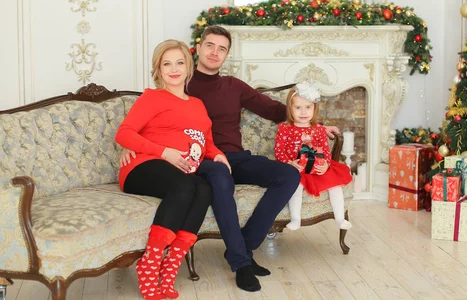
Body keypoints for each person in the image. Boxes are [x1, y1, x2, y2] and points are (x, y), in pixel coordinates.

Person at [122, 26, 339, 292]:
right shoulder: (179, 80)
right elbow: (149, 121)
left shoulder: (230, 86)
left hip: (230, 156)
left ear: (227, 55)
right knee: (218, 175)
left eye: (221, 48)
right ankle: (241, 263)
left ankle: (243, 247)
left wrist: (315, 125)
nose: (215, 52)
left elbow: (273, 109)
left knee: (288, 175)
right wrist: (135, 145)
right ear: (198, 49)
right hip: (197, 161)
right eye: (209, 45)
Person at [115, 39, 229, 300]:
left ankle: (169, 270)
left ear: (188, 67)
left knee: (203, 188)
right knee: (186, 185)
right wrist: (163, 151)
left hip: (178, 173)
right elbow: (124, 133)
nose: (174, 69)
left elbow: (205, 140)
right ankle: (149, 265)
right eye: (167, 64)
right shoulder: (153, 97)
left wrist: (218, 154)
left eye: (179, 62)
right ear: (158, 69)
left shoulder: (197, 104)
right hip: (142, 167)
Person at [274, 82, 353, 231]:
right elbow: (279, 151)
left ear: (314, 108)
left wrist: (326, 165)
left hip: (317, 167)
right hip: (296, 168)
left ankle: (340, 219)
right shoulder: (285, 129)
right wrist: (290, 162)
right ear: (290, 109)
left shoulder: (318, 129)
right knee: (295, 187)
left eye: (308, 107)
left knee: (335, 186)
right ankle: (295, 219)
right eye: (298, 108)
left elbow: (325, 150)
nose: (303, 112)